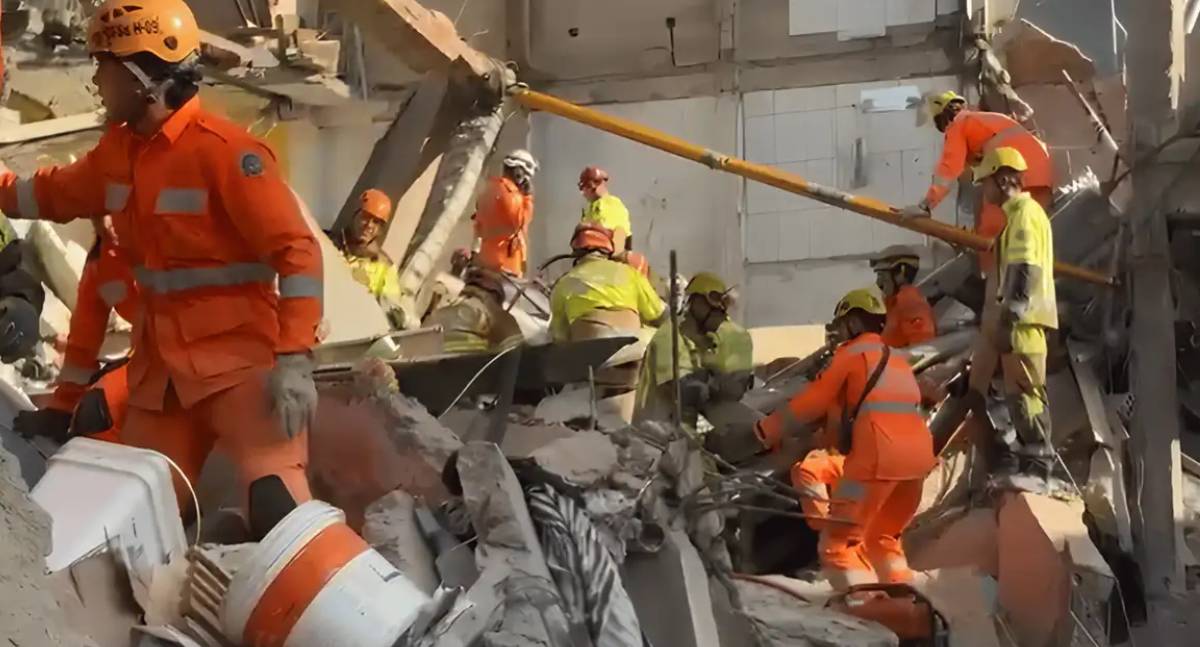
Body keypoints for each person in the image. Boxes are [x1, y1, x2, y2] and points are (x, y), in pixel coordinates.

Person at [0, 0, 323, 539]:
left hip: (240, 373)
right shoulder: (117, 153)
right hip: (161, 383)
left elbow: (298, 253)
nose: (96, 81)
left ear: (141, 75)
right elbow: (46, 194)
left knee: (278, 508)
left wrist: (294, 359)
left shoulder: (227, 155)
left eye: (103, 67)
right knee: (129, 522)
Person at [754, 289, 935, 590]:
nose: (838, 334)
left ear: (853, 322)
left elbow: (812, 402)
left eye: (841, 325)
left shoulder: (851, 355)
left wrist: (766, 430)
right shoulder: (896, 359)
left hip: (877, 461)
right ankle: (905, 599)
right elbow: (842, 428)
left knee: (839, 543)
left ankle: (863, 606)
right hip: (917, 465)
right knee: (882, 538)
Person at [972, 147, 1058, 482]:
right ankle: (1030, 466)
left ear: (1004, 178)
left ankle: (1039, 468)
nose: (984, 190)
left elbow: (1025, 268)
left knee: (1027, 397)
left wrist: (1010, 316)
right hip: (1025, 320)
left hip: (1024, 321)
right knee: (1020, 395)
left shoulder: (1024, 214)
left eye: (986, 182)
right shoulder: (1022, 215)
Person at [14, 219, 137, 444]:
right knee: (96, 410)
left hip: (205, 367)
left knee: (104, 413)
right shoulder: (105, 258)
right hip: (160, 355)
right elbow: (83, 341)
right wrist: (63, 407)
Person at [903, 90, 1053, 271]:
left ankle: (992, 280)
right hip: (1038, 174)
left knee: (990, 234)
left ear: (943, 117)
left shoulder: (959, 124)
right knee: (1031, 230)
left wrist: (925, 205)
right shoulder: (982, 121)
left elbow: (949, 169)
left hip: (1016, 176)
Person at [634, 272, 753, 426]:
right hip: (654, 432)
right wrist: (717, 382)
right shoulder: (670, 336)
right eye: (712, 306)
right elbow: (683, 391)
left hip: (681, 434)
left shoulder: (705, 339)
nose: (719, 314)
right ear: (695, 302)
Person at [549, 224, 665, 343]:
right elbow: (658, 313)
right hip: (631, 346)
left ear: (576, 252)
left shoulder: (564, 283)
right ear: (608, 250)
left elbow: (558, 335)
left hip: (587, 350)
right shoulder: (629, 273)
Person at [425, 266, 522, 354]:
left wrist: (487, 299)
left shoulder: (491, 316)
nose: (474, 277)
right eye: (472, 276)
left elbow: (514, 343)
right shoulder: (447, 302)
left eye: (479, 276)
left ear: (495, 291)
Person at [335, 188, 402, 314]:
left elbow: (390, 311)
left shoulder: (385, 268)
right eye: (365, 217)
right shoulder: (330, 244)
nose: (369, 225)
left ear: (381, 229)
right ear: (355, 215)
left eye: (376, 222)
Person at [472, 150, 536, 277]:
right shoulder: (511, 194)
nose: (526, 181)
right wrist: (528, 197)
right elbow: (520, 222)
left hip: (486, 259)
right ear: (518, 172)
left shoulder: (491, 187)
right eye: (526, 176)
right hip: (504, 266)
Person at [870, 245, 936, 348]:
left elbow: (921, 350)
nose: (879, 284)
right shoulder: (894, 303)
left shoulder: (910, 303)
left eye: (882, 276)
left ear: (901, 273)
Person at [578, 166, 632, 253]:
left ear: (592, 187)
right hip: (591, 250)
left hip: (609, 250)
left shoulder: (612, 203)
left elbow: (617, 231)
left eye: (583, 189)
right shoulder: (589, 208)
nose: (583, 194)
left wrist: (617, 253)